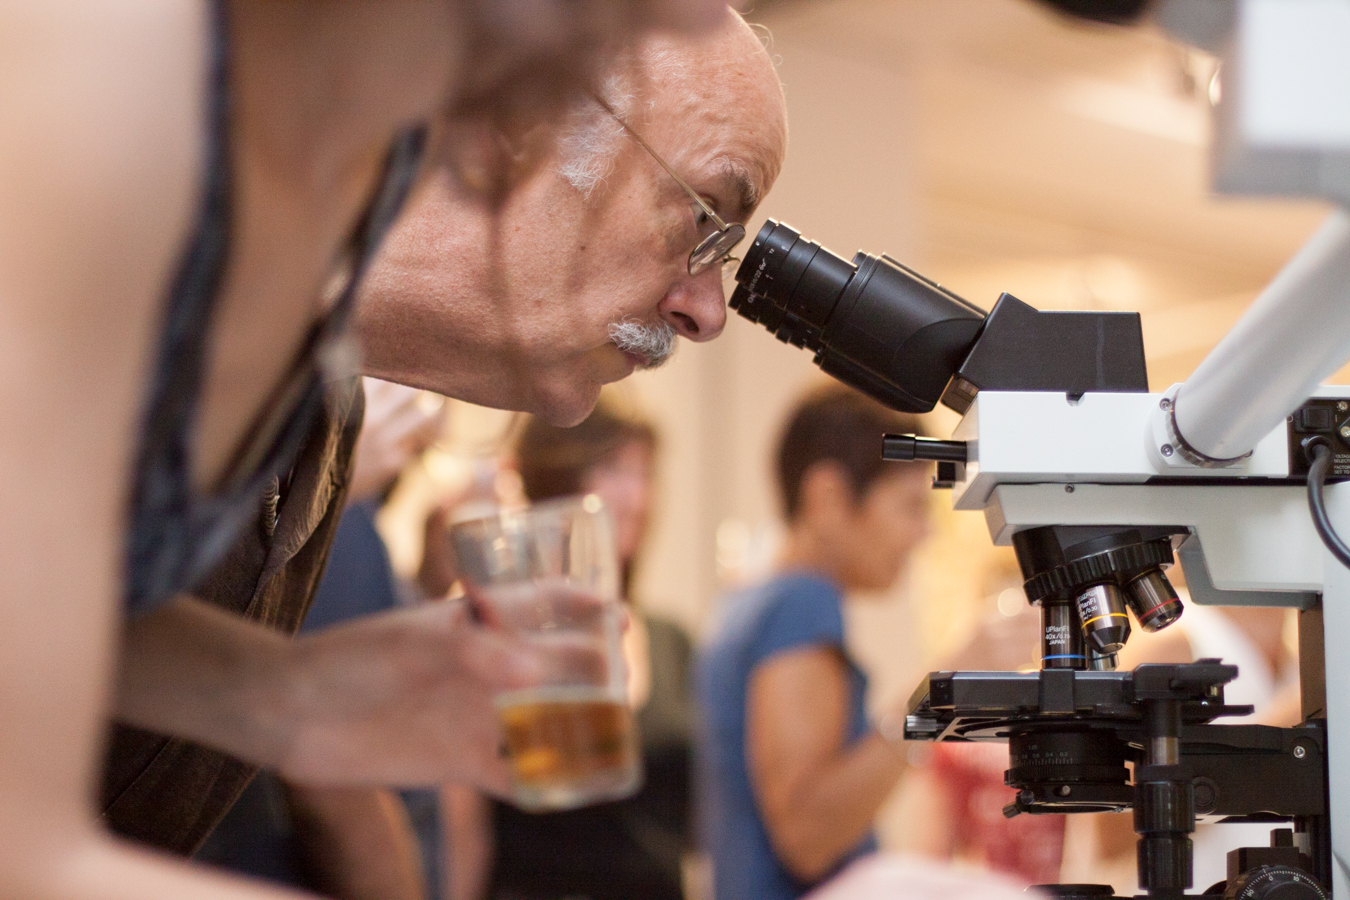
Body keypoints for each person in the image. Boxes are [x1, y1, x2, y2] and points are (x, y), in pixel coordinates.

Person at [4, 4, 775, 898]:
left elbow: (37, 604)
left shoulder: (320, 344)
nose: (707, 311)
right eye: (705, 220)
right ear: (529, 116)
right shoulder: (124, 75)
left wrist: (290, 695)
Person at [442, 396, 698, 900]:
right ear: (554, 476)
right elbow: (463, 830)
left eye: (644, 475)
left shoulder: (673, 643)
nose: (636, 498)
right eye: (612, 471)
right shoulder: (497, 634)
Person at [696, 384, 935, 900]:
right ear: (827, 495)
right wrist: (939, 700)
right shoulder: (799, 603)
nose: (923, 533)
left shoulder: (751, 602)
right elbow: (807, 836)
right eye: (910, 506)